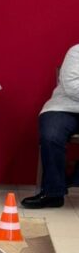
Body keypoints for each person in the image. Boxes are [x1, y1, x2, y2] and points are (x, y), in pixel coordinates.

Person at [22, 44, 79, 209]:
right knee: (51, 135)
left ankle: (74, 175)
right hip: (65, 108)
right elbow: (71, 86)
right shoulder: (76, 51)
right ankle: (53, 194)